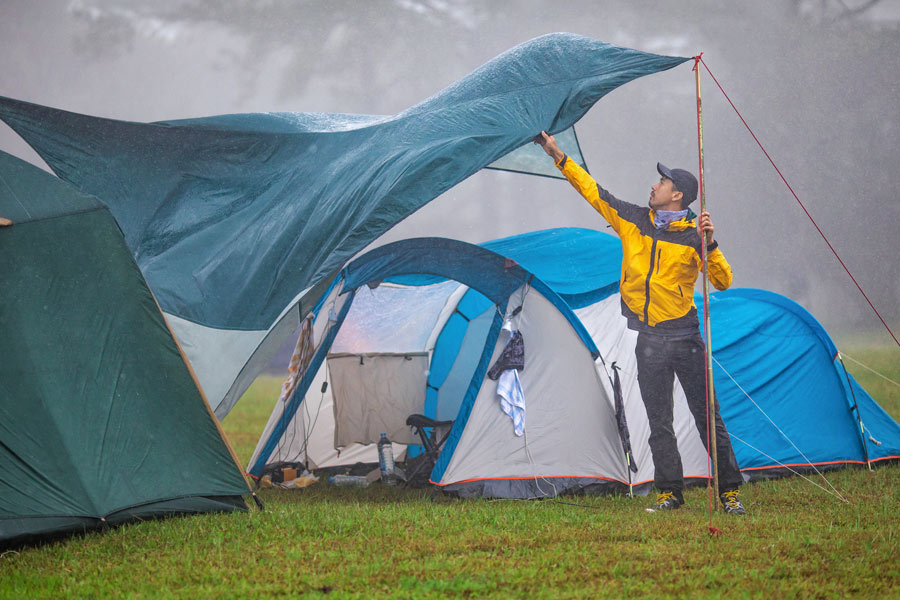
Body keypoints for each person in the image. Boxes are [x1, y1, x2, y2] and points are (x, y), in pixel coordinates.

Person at [534, 131, 746, 515]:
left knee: (706, 417)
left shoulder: (694, 235)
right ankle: (670, 492)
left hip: (685, 337)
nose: (655, 185)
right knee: (658, 421)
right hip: (649, 339)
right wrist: (558, 156)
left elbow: (723, 281)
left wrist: (710, 245)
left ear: (677, 194)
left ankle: (729, 492)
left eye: (662, 182)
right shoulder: (634, 219)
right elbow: (594, 192)